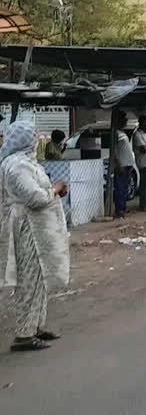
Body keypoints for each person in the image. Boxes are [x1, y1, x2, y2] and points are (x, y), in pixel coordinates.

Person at [0, 121, 69, 351]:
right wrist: (55, 189)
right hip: (26, 228)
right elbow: (35, 198)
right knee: (28, 280)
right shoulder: (16, 165)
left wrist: (54, 189)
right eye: (31, 136)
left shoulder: (26, 162)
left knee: (39, 278)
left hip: (37, 229)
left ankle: (36, 326)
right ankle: (24, 335)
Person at [113, 112, 135, 218]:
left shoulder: (123, 132)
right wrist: (118, 164)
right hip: (122, 164)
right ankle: (119, 209)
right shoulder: (115, 133)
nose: (126, 121)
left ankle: (124, 207)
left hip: (128, 164)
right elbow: (114, 151)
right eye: (124, 119)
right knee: (120, 187)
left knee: (125, 187)